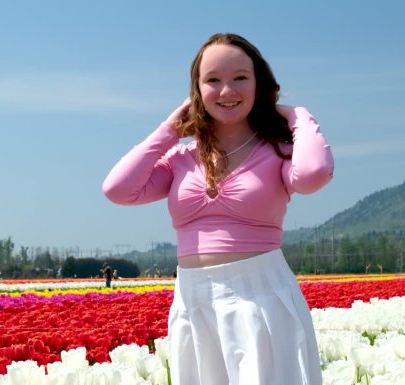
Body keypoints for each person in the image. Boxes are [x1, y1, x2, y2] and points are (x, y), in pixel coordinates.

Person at [103, 32, 333, 385]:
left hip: (261, 298)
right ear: (196, 91)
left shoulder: (276, 152)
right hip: (193, 304)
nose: (227, 91)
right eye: (213, 80)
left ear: (259, 84)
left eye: (240, 77)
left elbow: (314, 174)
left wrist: (297, 116)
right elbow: (117, 189)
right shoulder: (181, 160)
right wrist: (169, 129)